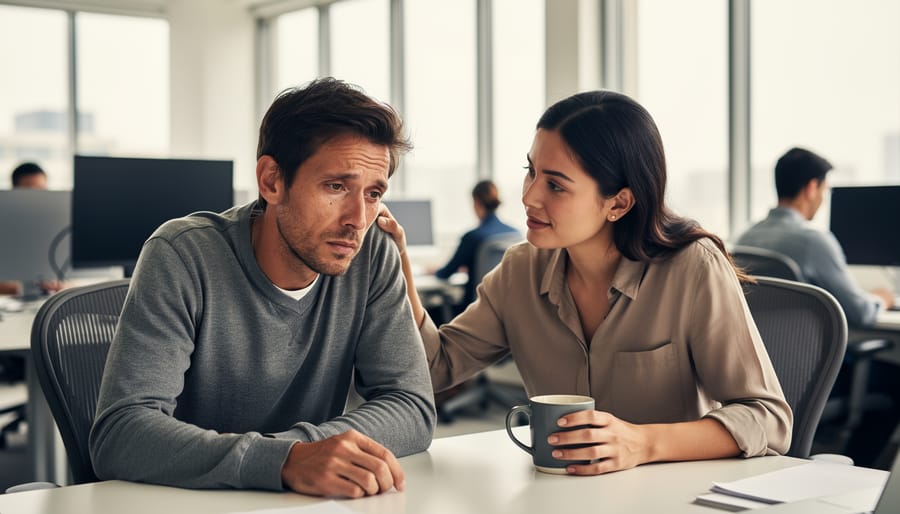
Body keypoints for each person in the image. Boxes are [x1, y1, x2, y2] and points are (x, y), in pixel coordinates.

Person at [378, 90, 792, 476]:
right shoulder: (520, 271)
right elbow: (433, 369)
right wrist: (399, 269)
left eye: (555, 184)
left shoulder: (692, 270)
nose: (529, 196)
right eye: (531, 172)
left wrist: (642, 443)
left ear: (619, 203)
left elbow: (768, 419)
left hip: (669, 495)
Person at [90, 78, 436, 497]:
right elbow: (121, 432)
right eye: (336, 186)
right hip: (188, 500)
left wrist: (300, 456)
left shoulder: (372, 253)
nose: (357, 218)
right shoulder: (182, 254)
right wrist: (285, 461)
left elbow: (412, 406)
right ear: (271, 180)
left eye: (373, 193)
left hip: (304, 501)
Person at [735, 147, 894, 327]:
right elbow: (860, 314)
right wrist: (883, 299)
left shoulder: (743, 239)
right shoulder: (813, 242)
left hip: (756, 352)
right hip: (804, 351)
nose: (823, 200)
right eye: (823, 191)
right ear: (811, 188)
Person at [434, 180, 520, 305]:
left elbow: (446, 273)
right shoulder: (515, 234)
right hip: (506, 306)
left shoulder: (472, 237)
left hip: (475, 310)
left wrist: (435, 271)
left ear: (476, 202)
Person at [1, 162, 54, 295]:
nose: (37, 197)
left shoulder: (52, 226)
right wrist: (23, 288)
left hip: (48, 302)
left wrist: (60, 285)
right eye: (30, 191)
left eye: (42, 189)